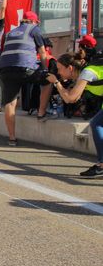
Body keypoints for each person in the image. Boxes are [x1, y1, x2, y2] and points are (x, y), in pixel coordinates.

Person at [47, 50, 103, 178]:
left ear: (70, 68)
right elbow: (70, 98)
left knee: (97, 124)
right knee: (98, 124)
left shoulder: (87, 73)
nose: (59, 72)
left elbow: (71, 98)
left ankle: (102, 165)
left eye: (60, 69)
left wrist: (56, 82)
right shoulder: (82, 75)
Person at [0, 11, 47, 146]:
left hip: (5, 69)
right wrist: (44, 69)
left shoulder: (10, 33)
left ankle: (12, 138)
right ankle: (41, 112)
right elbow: (43, 52)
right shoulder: (34, 29)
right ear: (33, 21)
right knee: (49, 80)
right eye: (37, 22)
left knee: (10, 103)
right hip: (25, 68)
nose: (38, 24)